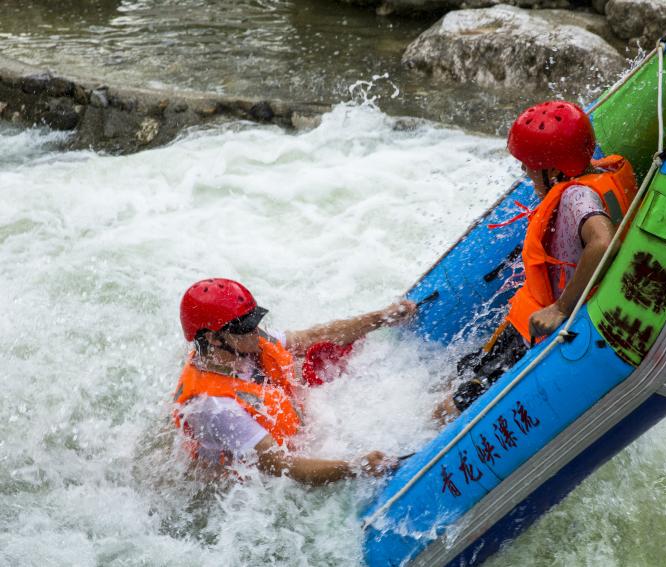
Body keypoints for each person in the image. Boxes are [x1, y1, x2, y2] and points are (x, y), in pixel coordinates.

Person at [434, 101, 637, 423]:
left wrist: (561, 308)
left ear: (554, 168)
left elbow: (602, 242)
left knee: (449, 409)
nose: (525, 173)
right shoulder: (598, 173)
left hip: (541, 327)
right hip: (528, 316)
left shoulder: (576, 197)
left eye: (529, 166)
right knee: (456, 378)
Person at [172, 277, 416, 485]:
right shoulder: (216, 408)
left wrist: (381, 317)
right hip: (250, 486)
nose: (256, 330)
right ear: (214, 339)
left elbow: (315, 336)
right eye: (246, 326)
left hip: (290, 442)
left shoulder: (242, 343)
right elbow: (281, 466)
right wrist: (355, 467)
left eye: (255, 319)